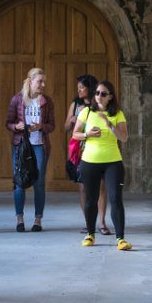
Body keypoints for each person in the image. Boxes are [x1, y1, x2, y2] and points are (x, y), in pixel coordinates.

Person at [72, 80, 132, 250]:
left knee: (115, 198)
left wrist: (109, 125)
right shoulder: (87, 112)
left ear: (110, 97)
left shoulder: (118, 114)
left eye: (103, 93)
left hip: (113, 161)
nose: (99, 96)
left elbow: (124, 137)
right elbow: (75, 134)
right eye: (97, 93)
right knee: (91, 199)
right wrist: (87, 134)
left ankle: (120, 239)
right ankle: (90, 234)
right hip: (90, 161)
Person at [5, 67, 55, 232]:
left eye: (44, 81)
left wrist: (41, 126)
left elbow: (52, 126)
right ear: (30, 81)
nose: (43, 84)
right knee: (19, 182)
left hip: (40, 146)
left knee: (39, 183)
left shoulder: (47, 101)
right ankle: (19, 219)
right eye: (40, 81)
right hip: (21, 145)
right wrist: (17, 126)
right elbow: (8, 123)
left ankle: (37, 220)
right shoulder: (17, 99)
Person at [63, 74, 111, 235]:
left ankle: (102, 222)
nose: (79, 90)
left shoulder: (98, 103)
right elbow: (66, 128)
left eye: (82, 87)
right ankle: (88, 222)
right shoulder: (75, 104)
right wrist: (73, 119)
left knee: (102, 186)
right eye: (78, 88)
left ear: (90, 88)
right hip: (80, 150)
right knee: (83, 187)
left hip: (99, 148)